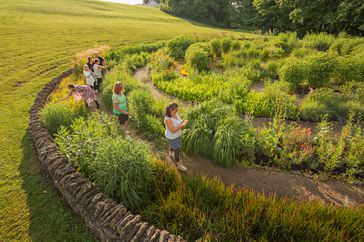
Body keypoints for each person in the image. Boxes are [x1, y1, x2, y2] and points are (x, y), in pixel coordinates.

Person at [164, 103, 188, 171]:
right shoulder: (167, 119)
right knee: (177, 150)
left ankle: (170, 153)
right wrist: (182, 125)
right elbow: (173, 130)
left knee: (173, 146)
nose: (177, 111)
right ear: (171, 110)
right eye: (176, 110)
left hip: (177, 136)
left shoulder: (175, 114)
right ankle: (178, 165)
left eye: (177, 110)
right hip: (172, 137)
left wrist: (183, 122)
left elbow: (179, 122)